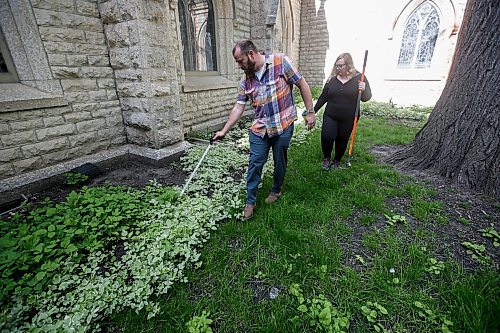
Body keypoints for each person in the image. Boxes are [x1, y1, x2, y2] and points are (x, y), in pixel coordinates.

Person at [212, 39, 315, 220]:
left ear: (251, 54)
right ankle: (250, 201)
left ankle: (276, 190)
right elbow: (238, 107)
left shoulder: (280, 62)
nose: (239, 66)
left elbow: (303, 85)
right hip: (260, 129)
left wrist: (310, 112)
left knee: (279, 159)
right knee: (255, 163)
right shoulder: (245, 81)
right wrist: (224, 130)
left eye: (240, 61)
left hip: (283, 124)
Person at [314, 53, 372, 170]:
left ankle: (337, 161)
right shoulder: (332, 79)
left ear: (348, 65)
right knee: (327, 136)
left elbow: (366, 98)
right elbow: (323, 97)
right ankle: (326, 159)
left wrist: (363, 89)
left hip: (349, 117)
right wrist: (312, 111)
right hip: (331, 115)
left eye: (341, 66)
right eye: (337, 65)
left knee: (342, 139)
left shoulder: (360, 78)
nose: (338, 68)